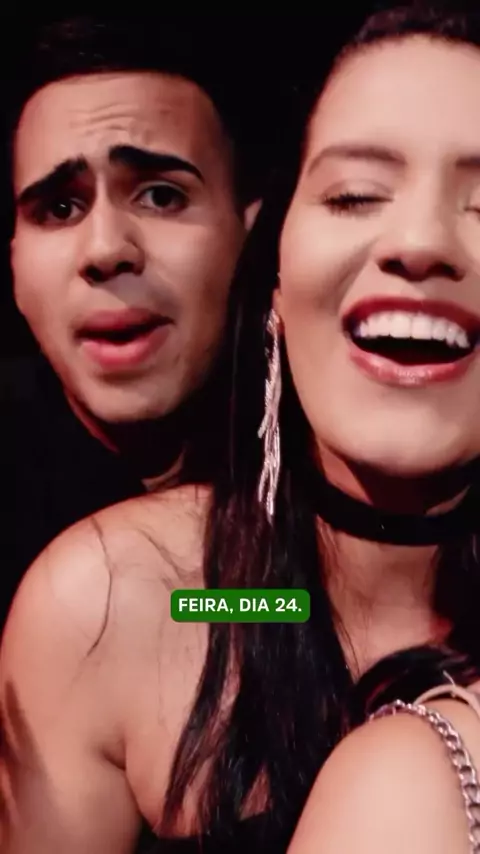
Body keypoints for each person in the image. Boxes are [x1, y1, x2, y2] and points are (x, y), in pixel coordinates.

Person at [3, 3, 480, 852]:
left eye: (161, 194)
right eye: (355, 194)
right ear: (277, 275)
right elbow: (245, 603)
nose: (417, 242)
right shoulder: (160, 595)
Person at [1, 13, 267, 622]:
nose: (105, 250)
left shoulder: (332, 475)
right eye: (59, 208)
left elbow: (293, 611)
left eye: (160, 196)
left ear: (252, 237)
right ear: (13, 266)